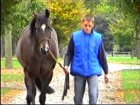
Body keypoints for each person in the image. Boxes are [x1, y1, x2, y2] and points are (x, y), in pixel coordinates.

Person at [63, 14, 109, 104]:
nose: (87, 28)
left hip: (93, 71)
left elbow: (102, 56)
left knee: (93, 96)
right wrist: (66, 65)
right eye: (85, 25)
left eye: (89, 25)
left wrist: (106, 72)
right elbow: (69, 53)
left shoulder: (98, 38)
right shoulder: (75, 36)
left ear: (93, 25)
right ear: (82, 24)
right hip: (79, 71)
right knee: (78, 99)